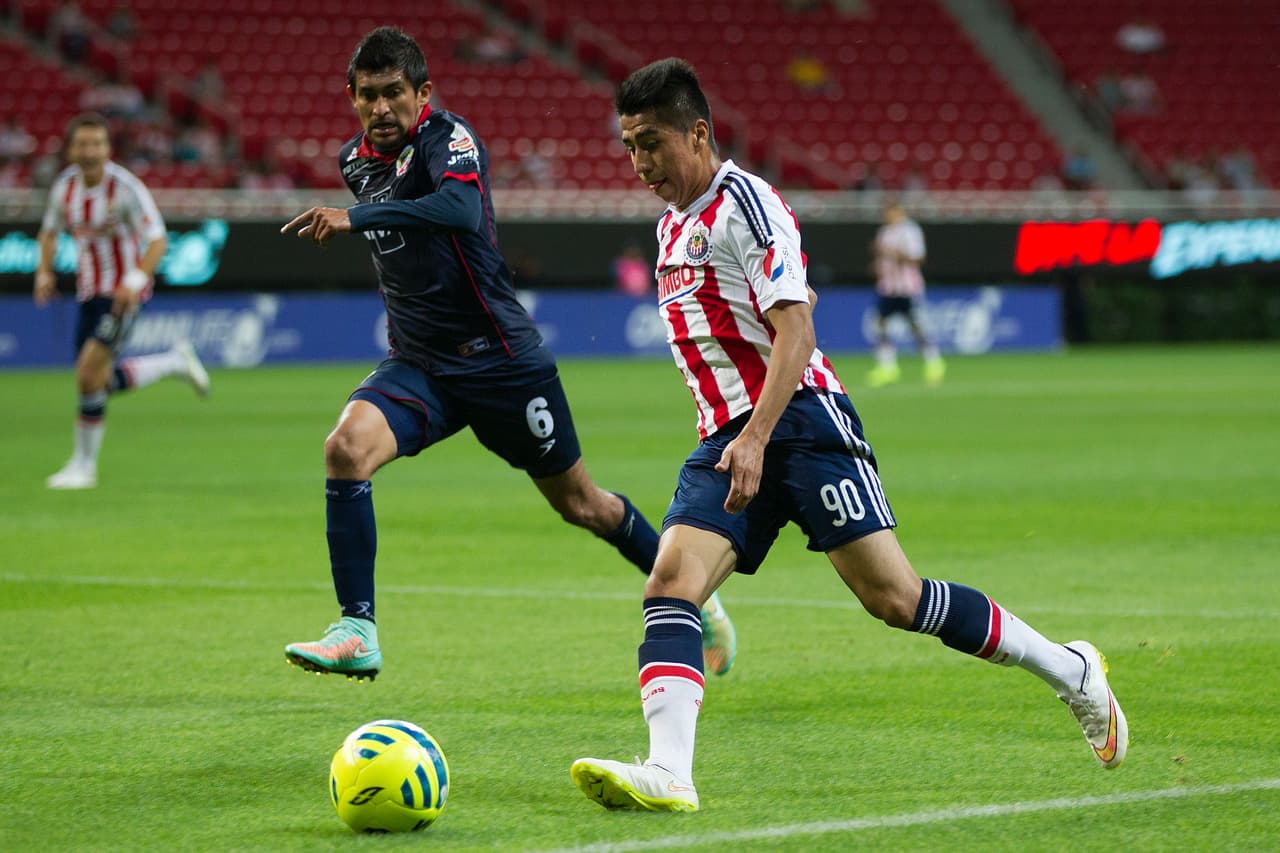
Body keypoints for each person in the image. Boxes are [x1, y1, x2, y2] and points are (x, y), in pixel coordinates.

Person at [570, 58, 1128, 813]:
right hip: (728, 440)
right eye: (629, 146)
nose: (639, 163)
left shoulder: (747, 205)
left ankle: (1071, 670)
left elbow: (795, 331)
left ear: (697, 134)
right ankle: (671, 771)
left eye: (651, 143)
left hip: (801, 424)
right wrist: (740, 438)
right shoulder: (672, 225)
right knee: (670, 583)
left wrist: (758, 436)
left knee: (896, 598)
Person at [279, 28, 737, 682]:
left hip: (500, 362)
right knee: (344, 449)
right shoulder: (354, 160)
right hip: (421, 365)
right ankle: (357, 628)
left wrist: (357, 218)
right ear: (351, 97)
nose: (381, 108)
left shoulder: (449, 139)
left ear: (423, 94)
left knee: (583, 504)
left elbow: (460, 207)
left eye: (394, 93)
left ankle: (698, 598)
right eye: (368, 95)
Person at [34, 113, 210, 490]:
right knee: (95, 381)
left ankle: (84, 467)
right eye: (83, 144)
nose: (90, 151)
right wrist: (44, 272)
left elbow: (157, 239)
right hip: (88, 292)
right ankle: (172, 363)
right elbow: (49, 232)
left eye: (97, 144)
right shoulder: (64, 187)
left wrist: (134, 281)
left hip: (121, 296)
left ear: (107, 148)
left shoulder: (125, 188)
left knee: (88, 375)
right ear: (71, 150)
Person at [867, 201, 944, 387]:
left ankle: (934, 362)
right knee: (880, 324)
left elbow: (918, 257)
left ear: (898, 212)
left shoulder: (910, 231)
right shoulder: (885, 232)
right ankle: (888, 367)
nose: (887, 216)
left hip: (907, 287)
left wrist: (898, 255)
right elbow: (881, 257)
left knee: (916, 326)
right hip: (888, 287)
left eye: (890, 212)